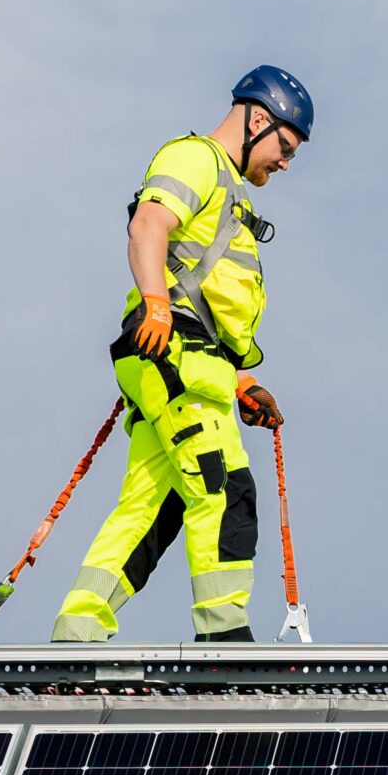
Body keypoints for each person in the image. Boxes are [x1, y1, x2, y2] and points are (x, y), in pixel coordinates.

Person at [51, 65, 312, 643]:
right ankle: (225, 641)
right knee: (225, 489)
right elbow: (149, 225)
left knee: (153, 505)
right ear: (260, 120)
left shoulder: (228, 187)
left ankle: (77, 638)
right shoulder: (196, 159)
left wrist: (242, 383)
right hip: (174, 353)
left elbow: (205, 295)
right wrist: (155, 304)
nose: (285, 164)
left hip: (189, 362)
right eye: (285, 148)